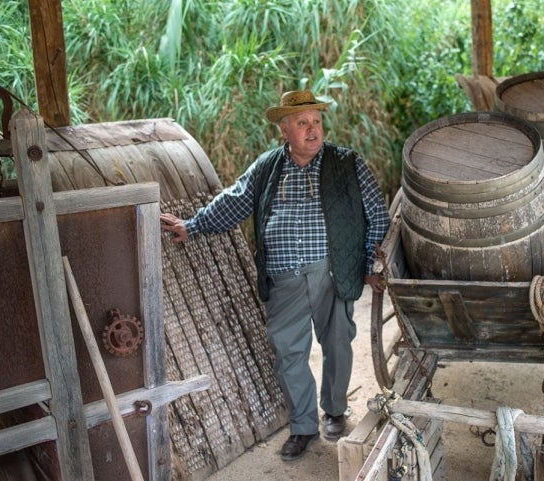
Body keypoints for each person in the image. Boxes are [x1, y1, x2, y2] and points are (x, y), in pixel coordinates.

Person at [160, 90, 390, 462]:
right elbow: (234, 201)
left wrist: (370, 264)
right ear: (285, 129)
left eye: (316, 121)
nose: (313, 129)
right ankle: (303, 426)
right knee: (288, 354)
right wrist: (193, 225)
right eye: (303, 123)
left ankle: (334, 410)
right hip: (283, 276)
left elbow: (377, 214)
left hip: (331, 270)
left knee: (336, 343)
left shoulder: (347, 163)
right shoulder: (268, 166)